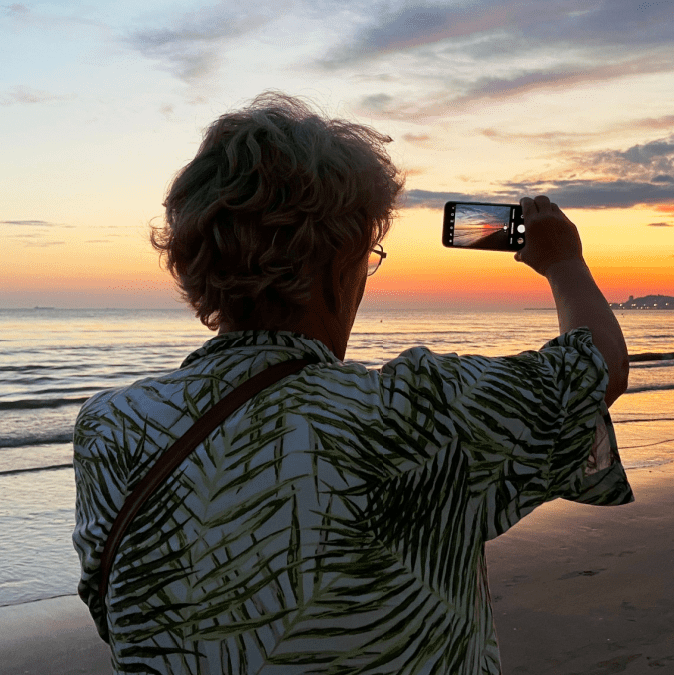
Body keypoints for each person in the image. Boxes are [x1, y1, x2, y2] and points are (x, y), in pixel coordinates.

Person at [72, 92, 632, 674]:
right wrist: (564, 260)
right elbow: (593, 369)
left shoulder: (110, 428)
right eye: (369, 253)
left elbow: (120, 613)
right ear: (339, 268)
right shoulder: (411, 413)